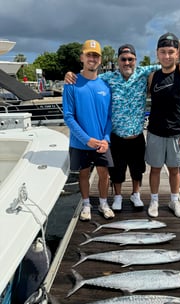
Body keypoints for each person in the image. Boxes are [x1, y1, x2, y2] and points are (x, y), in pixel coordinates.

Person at [65, 44, 180, 212]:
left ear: (135, 61)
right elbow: (89, 77)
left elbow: (166, 63)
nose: (127, 63)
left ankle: (135, 194)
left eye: (130, 59)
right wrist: (69, 74)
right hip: (117, 135)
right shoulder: (107, 77)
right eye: (123, 59)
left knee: (137, 169)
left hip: (137, 135)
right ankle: (117, 196)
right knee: (117, 170)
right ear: (118, 61)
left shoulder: (143, 72)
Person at [145, 32, 180, 218]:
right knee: (155, 169)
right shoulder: (152, 77)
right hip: (154, 132)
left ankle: (174, 201)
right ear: (157, 53)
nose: (166, 56)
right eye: (163, 52)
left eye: (170, 52)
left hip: (177, 133)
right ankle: (154, 200)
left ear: (177, 53)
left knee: (175, 170)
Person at [62, 39, 115, 221]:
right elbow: (68, 116)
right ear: (82, 57)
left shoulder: (106, 86)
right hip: (80, 141)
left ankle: (103, 203)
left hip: (101, 141)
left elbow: (109, 117)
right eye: (89, 55)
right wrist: (86, 139)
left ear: (100, 60)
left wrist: (106, 139)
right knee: (83, 174)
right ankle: (86, 204)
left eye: (96, 56)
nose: (92, 58)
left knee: (104, 174)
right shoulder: (71, 83)